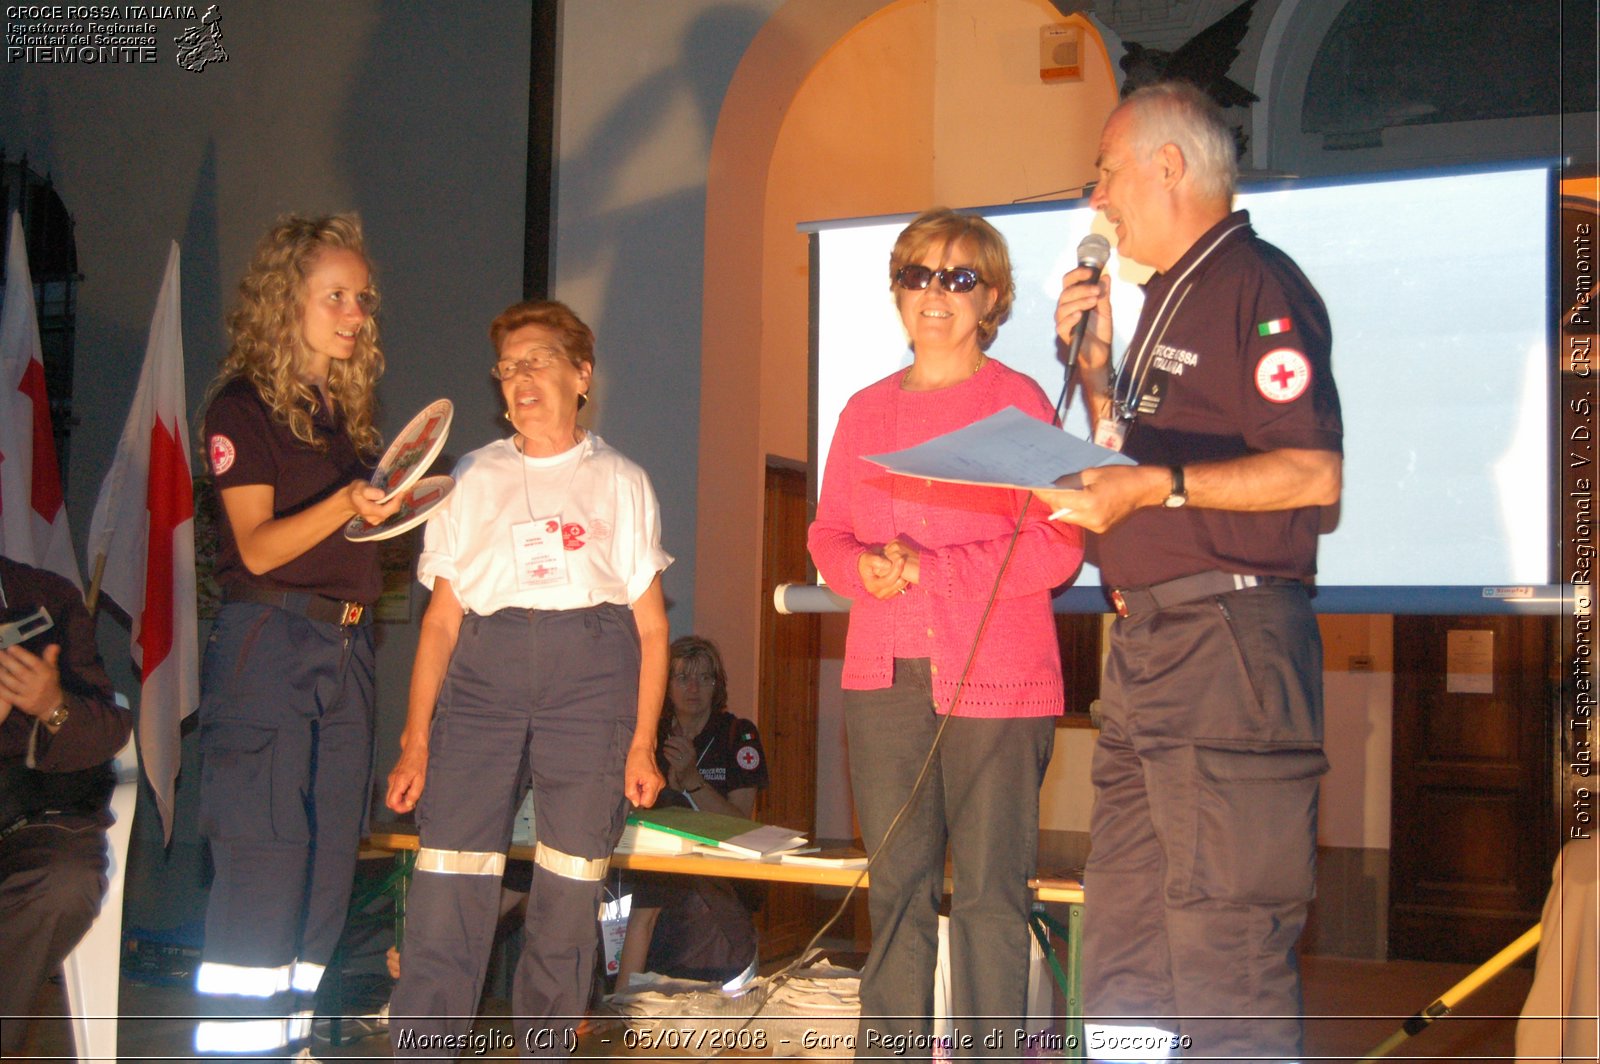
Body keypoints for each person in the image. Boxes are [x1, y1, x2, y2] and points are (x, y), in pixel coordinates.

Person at [1039, 82, 1343, 1062]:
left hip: (1227, 646)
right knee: (1127, 936)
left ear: (1167, 167)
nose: (1097, 199)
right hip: (1150, 650)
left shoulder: (1253, 283)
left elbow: (1310, 470)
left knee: (1219, 940)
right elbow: (1129, 463)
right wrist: (1091, 373)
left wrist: (1156, 488)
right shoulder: (1164, 299)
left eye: (1104, 172)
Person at [807, 208, 1084, 1056]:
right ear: (897, 291)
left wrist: (933, 569)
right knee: (895, 889)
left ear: (991, 298)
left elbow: (1061, 543)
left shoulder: (1018, 402)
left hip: (998, 679)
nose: (936, 293)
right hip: (885, 677)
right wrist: (865, 571)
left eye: (960, 278)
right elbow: (828, 536)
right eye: (919, 274)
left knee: (992, 897)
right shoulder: (864, 412)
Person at [385, 299, 670, 1057]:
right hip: (484, 673)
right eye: (508, 368)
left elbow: (650, 626)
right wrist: (416, 743)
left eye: (537, 361)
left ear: (582, 374)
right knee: (450, 871)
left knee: (570, 884)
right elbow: (441, 621)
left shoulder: (620, 479)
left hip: (592, 674)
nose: (520, 380)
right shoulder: (472, 475)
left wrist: (643, 745)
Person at [193, 214, 400, 1059]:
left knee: (324, 877)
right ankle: (238, 1049)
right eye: (336, 296)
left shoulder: (339, 418)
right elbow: (259, 546)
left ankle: (285, 1042)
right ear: (288, 302)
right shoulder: (240, 407)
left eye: (363, 299)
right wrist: (351, 504)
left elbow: (347, 539)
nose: (355, 314)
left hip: (347, 656)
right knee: (265, 868)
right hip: (269, 650)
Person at [0, 555, 132, 1055]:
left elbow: (109, 727)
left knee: (66, 881)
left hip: (28, 818)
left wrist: (51, 705)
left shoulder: (42, 597)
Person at [614, 635, 768, 989]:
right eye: (682, 678)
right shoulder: (649, 738)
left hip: (717, 882)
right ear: (664, 685)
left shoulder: (737, 735)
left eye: (704, 678)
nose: (693, 688)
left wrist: (694, 782)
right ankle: (622, 998)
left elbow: (743, 826)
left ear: (718, 686)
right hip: (653, 872)